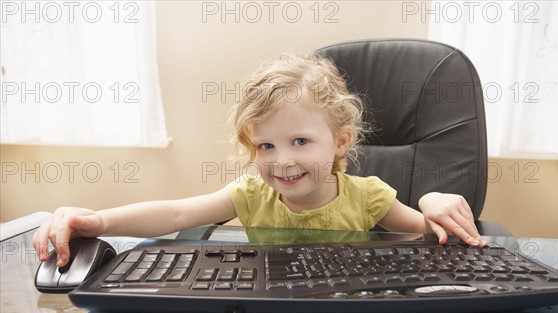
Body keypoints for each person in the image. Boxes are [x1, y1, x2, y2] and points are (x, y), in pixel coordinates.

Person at [33, 53, 485, 267]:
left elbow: (429, 235)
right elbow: (175, 212)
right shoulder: (251, 194)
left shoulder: (368, 197)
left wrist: (431, 201)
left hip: (351, 311)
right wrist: (96, 220)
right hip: (267, 312)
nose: (282, 161)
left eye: (301, 141)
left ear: (341, 141)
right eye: (266, 146)